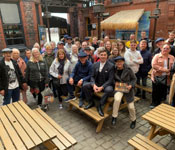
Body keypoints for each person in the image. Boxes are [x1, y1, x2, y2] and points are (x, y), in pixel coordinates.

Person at [83, 47, 114, 116]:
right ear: (99, 55)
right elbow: (92, 76)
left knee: (109, 90)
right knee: (85, 86)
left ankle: (100, 105)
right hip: (96, 83)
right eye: (101, 55)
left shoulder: (111, 66)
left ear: (107, 56)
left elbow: (110, 80)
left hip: (105, 85)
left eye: (104, 55)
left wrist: (102, 87)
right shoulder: (95, 64)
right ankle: (91, 102)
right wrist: (94, 85)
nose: (103, 56)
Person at [111, 56, 137, 129]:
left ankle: (133, 120)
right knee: (117, 99)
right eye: (117, 62)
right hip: (119, 87)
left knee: (131, 107)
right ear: (115, 63)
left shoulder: (128, 69)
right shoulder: (114, 69)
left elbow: (134, 79)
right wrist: (115, 84)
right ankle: (114, 116)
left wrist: (131, 85)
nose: (119, 63)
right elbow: (111, 79)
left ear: (123, 62)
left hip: (128, 87)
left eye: (120, 61)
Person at [150, 43, 174, 108]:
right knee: (155, 91)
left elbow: (173, 67)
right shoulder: (157, 56)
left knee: (163, 91)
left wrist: (170, 72)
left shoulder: (172, 57)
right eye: (164, 48)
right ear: (161, 49)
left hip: (167, 78)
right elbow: (154, 65)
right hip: (157, 76)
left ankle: (160, 103)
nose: (165, 49)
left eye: (167, 48)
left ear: (169, 50)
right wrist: (165, 70)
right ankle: (154, 103)